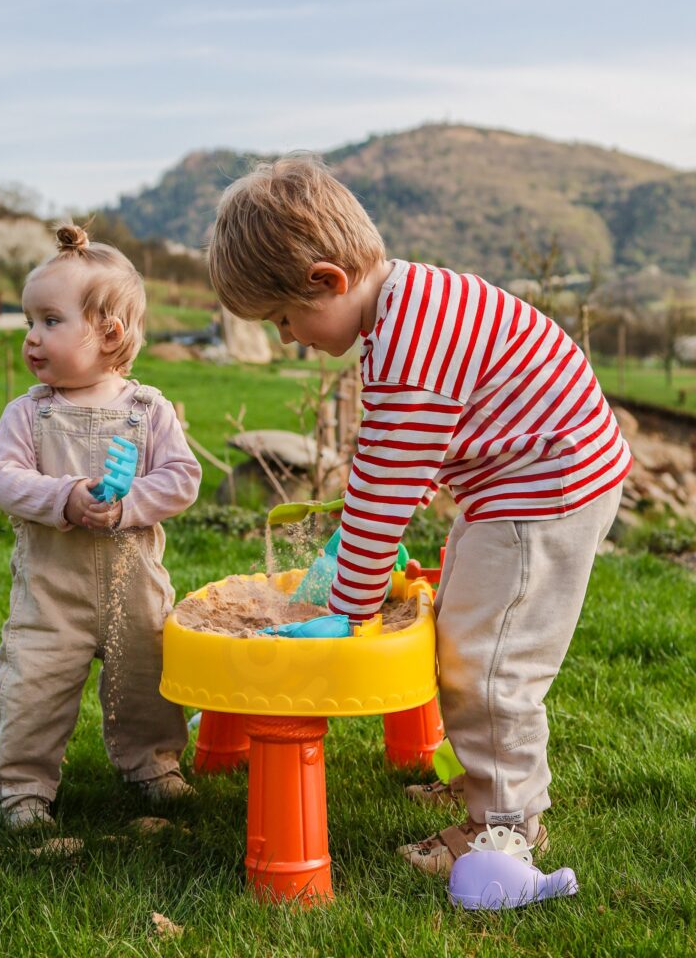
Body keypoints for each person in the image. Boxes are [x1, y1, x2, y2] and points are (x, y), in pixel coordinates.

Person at [207, 156, 631, 875]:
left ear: (327, 282)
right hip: (524, 480)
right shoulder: (407, 302)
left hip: (544, 491)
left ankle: (505, 825)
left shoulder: (406, 346)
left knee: (491, 662)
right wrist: (360, 549)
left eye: (285, 318)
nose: (287, 338)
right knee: (469, 632)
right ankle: (489, 781)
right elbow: (395, 462)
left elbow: (385, 486)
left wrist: (349, 602)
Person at [0, 224, 202, 830]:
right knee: (34, 685)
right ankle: (22, 787)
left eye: (50, 321)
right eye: (30, 322)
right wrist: (65, 497)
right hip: (51, 595)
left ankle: (153, 765)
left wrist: (129, 504)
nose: (32, 337)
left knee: (145, 682)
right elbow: (1, 477)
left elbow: (183, 478)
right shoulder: (30, 412)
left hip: (134, 588)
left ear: (109, 332)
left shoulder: (147, 409)